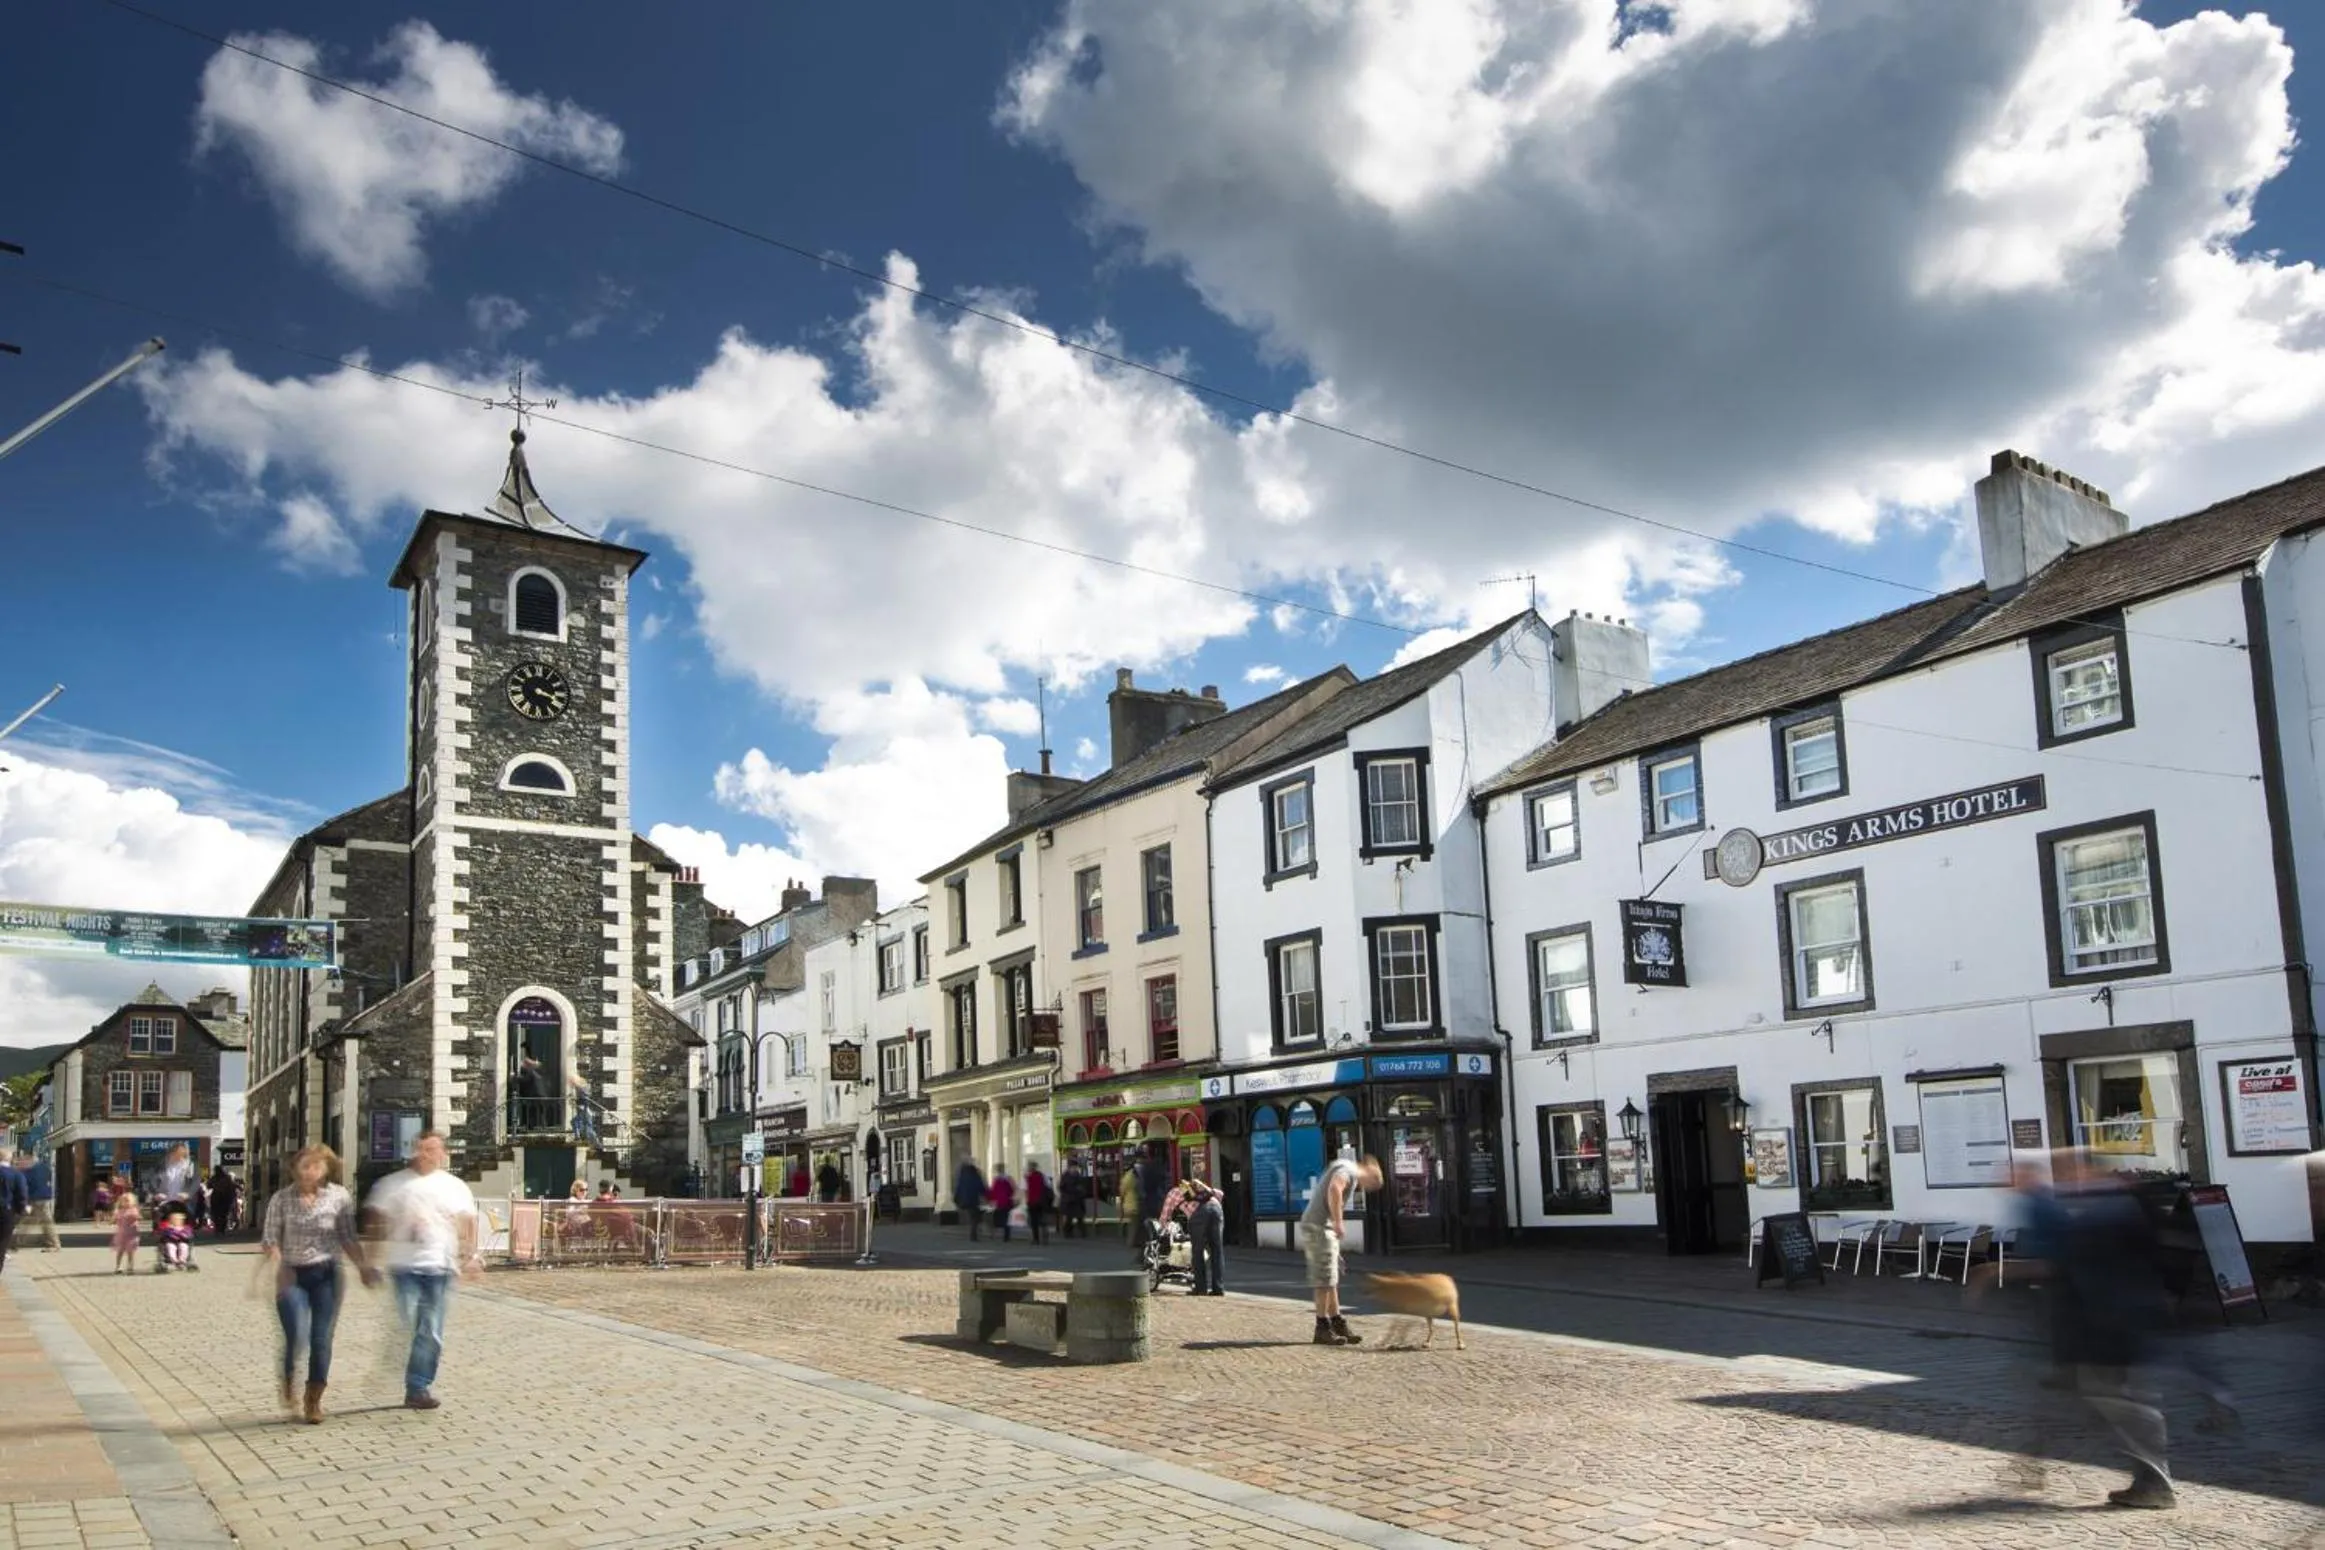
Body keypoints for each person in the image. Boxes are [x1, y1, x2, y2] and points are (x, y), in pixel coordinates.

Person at [1976, 1148, 2175, 1509]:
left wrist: (1999, 1272)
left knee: (2120, 1403)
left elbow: (2074, 1265)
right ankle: (2035, 1464)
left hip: (2112, 1322)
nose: (2061, 1178)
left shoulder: (2108, 1210)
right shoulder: (2095, 1208)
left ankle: (2155, 1483)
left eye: (2067, 1170)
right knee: (2089, 1397)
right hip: (2094, 1322)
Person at [261, 1143, 378, 1424]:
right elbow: (270, 1237)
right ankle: (289, 1377)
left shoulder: (339, 1197)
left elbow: (348, 1236)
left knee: (321, 1339)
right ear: (295, 1168)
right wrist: (276, 1260)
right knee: (296, 1336)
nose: (310, 1171)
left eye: (317, 1165)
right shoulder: (282, 1199)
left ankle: (313, 1398)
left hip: (327, 1275)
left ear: (327, 1169)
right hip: (291, 1275)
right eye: (305, 1165)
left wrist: (362, 1266)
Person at [366, 1131, 481, 1412]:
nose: (428, 1154)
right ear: (415, 1150)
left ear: (443, 1153)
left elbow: (468, 1223)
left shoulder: (454, 1186)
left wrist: (472, 1256)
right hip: (404, 1266)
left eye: (434, 1149)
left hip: (439, 1267)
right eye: (423, 1148)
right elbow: (376, 1221)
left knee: (430, 1330)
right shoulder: (394, 1184)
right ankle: (404, 1362)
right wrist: (370, 1260)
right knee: (409, 1325)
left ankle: (418, 1387)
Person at [1301, 1153, 1382, 1346]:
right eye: (1373, 1183)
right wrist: (1338, 1222)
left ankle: (1337, 1322)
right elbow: (1335, 1189)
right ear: (1369, 1171)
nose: (1369, 1188)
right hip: (1320, 1226)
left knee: (1332, 1277)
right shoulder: (1348, 1171)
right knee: (1325, 1278)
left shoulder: (1345, 1168)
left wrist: (1336, 1249)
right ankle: (1322, 1327)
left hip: (1320, 1226)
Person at [1188, 1179, 1227, 1297]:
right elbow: (1221, 1194)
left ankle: (1201, 1289)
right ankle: (1218, 1289)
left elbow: (1165, 1214)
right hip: (1216, 1209)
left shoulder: (1174, 1193)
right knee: (1217, 1250)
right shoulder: (1210, 1193)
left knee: (1198, 1251)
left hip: (1200, 1214)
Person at [17, 1152, 59, 1254]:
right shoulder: (44, 1168)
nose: (20, 1163)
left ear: (28, 1161)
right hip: (43, 1198)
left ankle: (54, 1244)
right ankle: (19, 1242)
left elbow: (24, 1185)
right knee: (28, 1220)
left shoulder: (29, 1171)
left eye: (22, 1162)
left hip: (36, 1199)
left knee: (45, 1222)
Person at [0, 1152, 26, 1272]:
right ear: (10, 1159)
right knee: (3, 1241)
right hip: (7, 1211)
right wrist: (20, 1210)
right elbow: (22, 1194)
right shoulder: (16, 1174)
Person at [110, 1187, 143, 1274]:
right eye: (124, 1201)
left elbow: (139, 1218)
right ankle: (118, 1266)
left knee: (130, 1252)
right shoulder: (119, 1211)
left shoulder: (134, 1210)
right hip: (121, 1235)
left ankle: (130, 1267)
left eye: (128, 1201)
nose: (126, 1203)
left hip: (132, 1235)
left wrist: (137, 1217)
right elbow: (112, 1221)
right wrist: (113, 1219)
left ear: (132, 1202)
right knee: (120, 1251)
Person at [953, 1158, 987, 1241]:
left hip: (965, 1200)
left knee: (972, 1216)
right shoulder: (975, 1175)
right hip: (973, 1199)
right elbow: (980, 1186)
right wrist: (986, 1195)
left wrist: (956, 1198)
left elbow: (959, 1188)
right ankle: (973, 1235)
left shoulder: (962, 1176)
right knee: (975, 1218)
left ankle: (973, 1233)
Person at [205, 1166, 238, 1238]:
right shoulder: (227, 1178)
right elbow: (231, 1187)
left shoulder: (214, 1178)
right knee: (223, 1215)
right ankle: (221, 1229)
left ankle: (218, 1229)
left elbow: (208, 1185)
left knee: (216, 1214)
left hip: (217, 1198)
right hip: (225, 1198)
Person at [1024, 1163, 1053, 1246]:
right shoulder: (1042, 1176)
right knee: (1043, 1220)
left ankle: (1036, 1239)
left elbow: (1025, 1190)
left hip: (1032, 1202)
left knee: (1034, 1222)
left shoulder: (1027, 1177)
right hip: (1042, 1201)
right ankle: (1045, 1238)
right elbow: (1049, 1187)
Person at [987, 1167, 1017, 1244]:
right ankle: (1006, 1236)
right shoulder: (1009, 1179)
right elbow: (1013, 1189)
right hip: (1007, 1202)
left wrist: (991, 1200)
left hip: (999, 1203)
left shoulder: (996, 1180)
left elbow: (993, 1191)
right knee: (1007, 1219)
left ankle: (995, 1234)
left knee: (998, 1219)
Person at [1058, 1163, 1088, 1238]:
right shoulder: (1065, 1176)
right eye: (1073, 1167)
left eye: (1075, 1167)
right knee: (1069, 1218)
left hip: (1077, 1199)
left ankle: (1083, 1233)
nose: (1074, 1169)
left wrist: (1081, 1192)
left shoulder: (1078, 1175)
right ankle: (1068, 1233)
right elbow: (1061, 1187)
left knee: (1080, 1217)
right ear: (1069, 1168)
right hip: (1069, 1200)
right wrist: (1070, 1192)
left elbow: (1083, 1186)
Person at [1116, 1166, 1140, 1245]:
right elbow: (1122, 1191)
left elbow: (1122, 1191)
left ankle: (1132, 1241)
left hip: (1130, 1204)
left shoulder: (1128, 1177)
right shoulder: (1131, 1177)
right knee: (1134, 1224)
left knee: (1133, 1224)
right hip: (1132, 1204)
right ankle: (1131, 1242)